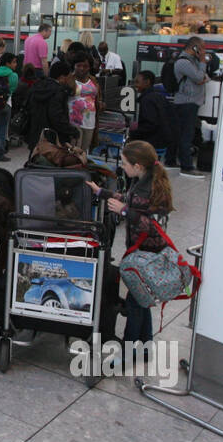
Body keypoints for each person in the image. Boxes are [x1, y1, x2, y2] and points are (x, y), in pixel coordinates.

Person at [87, 140, 173, 358]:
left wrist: (125, 212)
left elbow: (154, 223)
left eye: (125, 163)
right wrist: (101, 192)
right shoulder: (144, 181)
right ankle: (145, 348)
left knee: (136, 304)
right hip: (142, 253)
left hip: (146, 256)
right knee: (142, 301)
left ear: (138, 166)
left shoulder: (152, 188)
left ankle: (127, 352)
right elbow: (130, 200)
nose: (122, 167)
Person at [171, 36, 208, 179]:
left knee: (185, 134)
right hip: (186, 102)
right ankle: (186, 166)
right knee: (186, 135)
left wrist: (200, 75)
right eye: (202, 48)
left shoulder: (193, 61)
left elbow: (204, 77)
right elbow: (199, 78)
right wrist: (203, 62)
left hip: (192, 102)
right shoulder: (183, 62)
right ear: (194, 48)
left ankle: (173, 160)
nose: (204, 51)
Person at [25, 61, 78, 151]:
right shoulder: (58, 92)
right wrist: (72, 131)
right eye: (68, 77)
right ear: (62, 77)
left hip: (35, 135)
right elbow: (56, 116)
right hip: (53, 140)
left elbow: (28, 108)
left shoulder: (37, 86)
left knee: (34, 161)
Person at [68, 50, 103, 155]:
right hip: (74, 122)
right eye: (79, 65)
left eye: (85, 66)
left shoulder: (93, 80)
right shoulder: (69, 80)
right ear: (74, 65)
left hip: (90, 122)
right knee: (74, 152)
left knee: (84, 152)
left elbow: (98, 97)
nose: (82, 68)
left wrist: (100, 103)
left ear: (89, 67)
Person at [130, 70, 174, 153]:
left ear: (147, 82)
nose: (135, 85)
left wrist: (132, 132)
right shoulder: (159, 96)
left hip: (153, 141)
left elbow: (150, 124)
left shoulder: (147, 100)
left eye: (137, 82)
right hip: (164, 139)